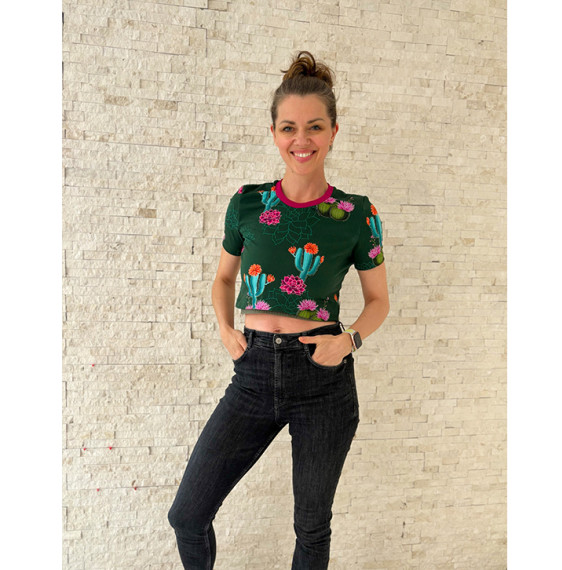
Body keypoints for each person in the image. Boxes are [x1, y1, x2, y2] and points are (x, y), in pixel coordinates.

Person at [168, 50, 390, 569]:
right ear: (273, 133)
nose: (301, 139)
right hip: (252, 372)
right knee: (188, 515)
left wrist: (348, 341)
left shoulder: (357, 214)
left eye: (315, 127)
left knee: (311, 527)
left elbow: (379, 300)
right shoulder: (247, 203)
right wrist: (226, 328)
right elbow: (224, 279)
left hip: (322, 378)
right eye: (289, 127)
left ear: (333, 132)